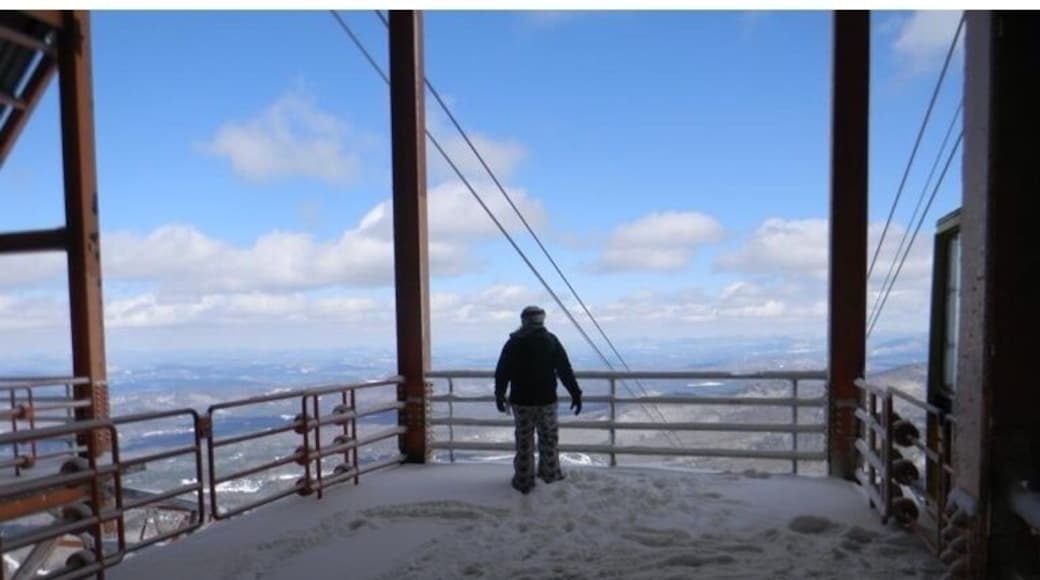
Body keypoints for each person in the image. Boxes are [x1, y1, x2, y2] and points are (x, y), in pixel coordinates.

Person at [494, 305, 582, 494]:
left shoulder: (514, 343)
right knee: (549, 439)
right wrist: (575, 393)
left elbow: (502, 372)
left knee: (524, 440)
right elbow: (565, 370)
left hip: (521, 401)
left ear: (523, 320)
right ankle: (550, 476)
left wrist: (499, 394)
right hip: (546, 400)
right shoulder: (551, 341)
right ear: (542, 320)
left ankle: (523, 481)